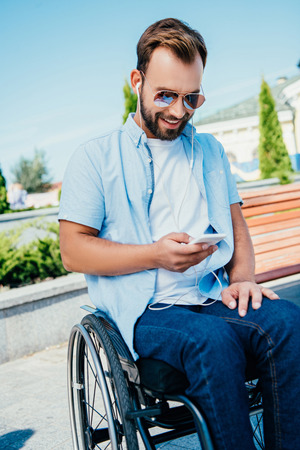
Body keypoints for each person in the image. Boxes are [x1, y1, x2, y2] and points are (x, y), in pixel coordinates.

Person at [59, 18, 300, 449]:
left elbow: (236, 224)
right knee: (213, 341)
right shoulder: (94, 158)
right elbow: (73, 251)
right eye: (165, 95)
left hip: (209, 295)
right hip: (148, 310)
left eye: (191, 98)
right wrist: (155, 255)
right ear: (137, 81)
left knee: (286, 321)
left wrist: (243, 278)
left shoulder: (209, 151)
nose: (177, 111)